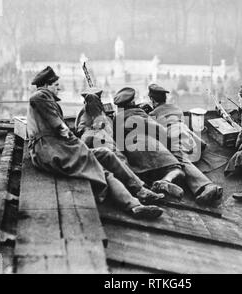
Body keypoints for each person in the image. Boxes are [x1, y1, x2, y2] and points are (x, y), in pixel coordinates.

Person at [26, 66, 164, 220]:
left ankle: (139, 193)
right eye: (56, 85)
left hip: (59, 150)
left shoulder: (49, 101)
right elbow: (60, 128)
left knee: (106, 155)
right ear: (46, 85)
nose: (59, 89)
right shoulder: (40, 97)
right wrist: (76, 144)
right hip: (52, 152)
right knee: (102, 170)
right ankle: (135, 204)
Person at [147, 84, 223, 206]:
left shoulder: (152, 115)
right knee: (181, 157)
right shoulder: (176, 109)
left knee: (178, 160)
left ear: (152, 100)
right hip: (191, 139)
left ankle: (208, 186)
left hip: (177, 138)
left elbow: (154, 134)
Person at [113, 87, 185, 199]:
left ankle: (148, 186)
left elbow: (118, 142)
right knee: (177, 170)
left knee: (149, 174)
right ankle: (165, 181)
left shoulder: (116, 119)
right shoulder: (139, 113)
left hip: (135, 162)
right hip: (153, 150)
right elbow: (162, 132)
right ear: (132, 102)